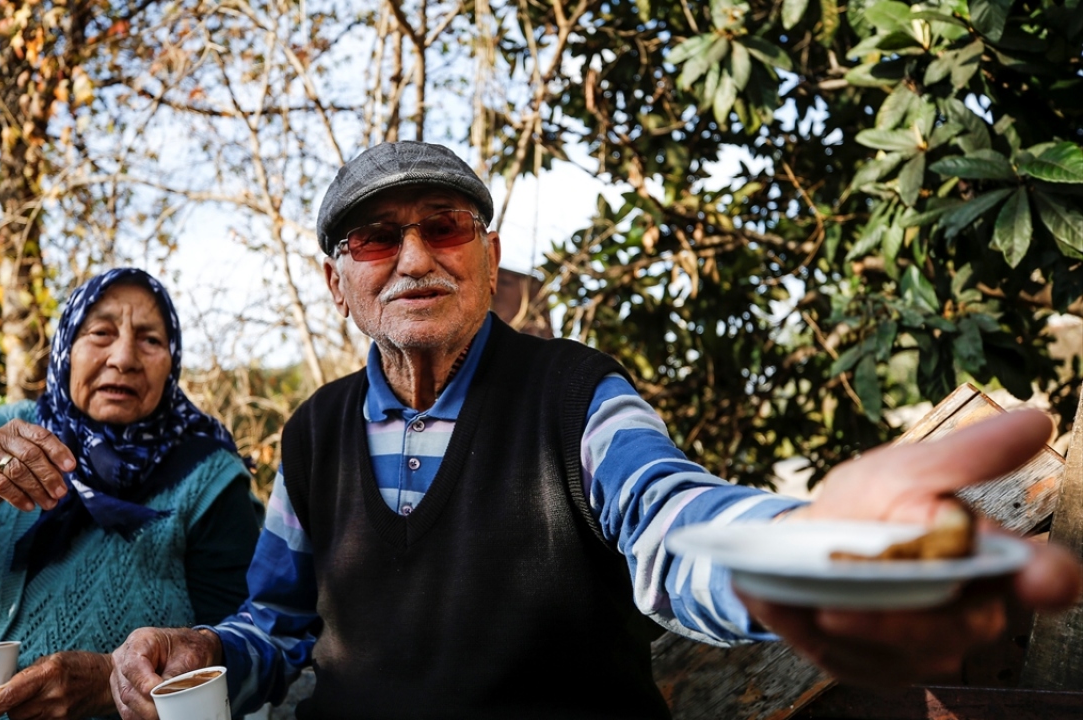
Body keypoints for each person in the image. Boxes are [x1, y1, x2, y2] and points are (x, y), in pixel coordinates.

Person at [109, 142, 1083, 719]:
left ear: (487, 259)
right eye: (375, 237)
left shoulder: (575, 394)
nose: (413, 257)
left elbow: (670, 522)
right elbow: (279, 623)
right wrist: (204, 647)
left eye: (443, 226)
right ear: (337, 284)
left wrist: (797, 555)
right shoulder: (312, 431)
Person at [0, 268, 262, 720]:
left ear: (171, 362)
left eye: (151, 341)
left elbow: (236, 654)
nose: (124, 357)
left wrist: (108, 680)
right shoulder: (7, 434)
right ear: (66, 350)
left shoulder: (208, 479)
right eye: (100, 332)